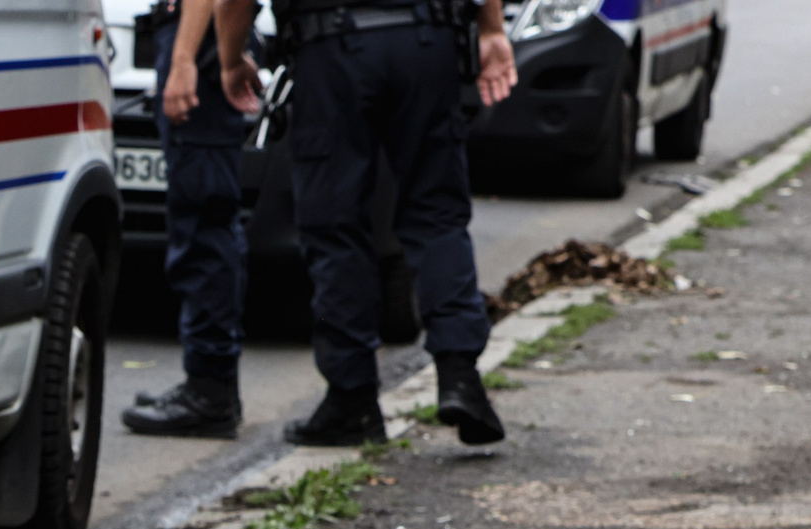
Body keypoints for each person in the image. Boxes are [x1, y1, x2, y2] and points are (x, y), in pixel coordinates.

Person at [216, 0, 516, 447]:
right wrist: (490, 28)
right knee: (437, 213)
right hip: (426, 41)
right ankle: (460, 376)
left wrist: (231, 57)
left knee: (333, 225)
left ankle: (351, 398)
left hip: (330, 51)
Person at [120, 0, 253, 438]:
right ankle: (208, 381)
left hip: (197, 38)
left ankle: (209, 390)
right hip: (200, 37)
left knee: (203, 222)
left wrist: (182, 58)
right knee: (201, 219)